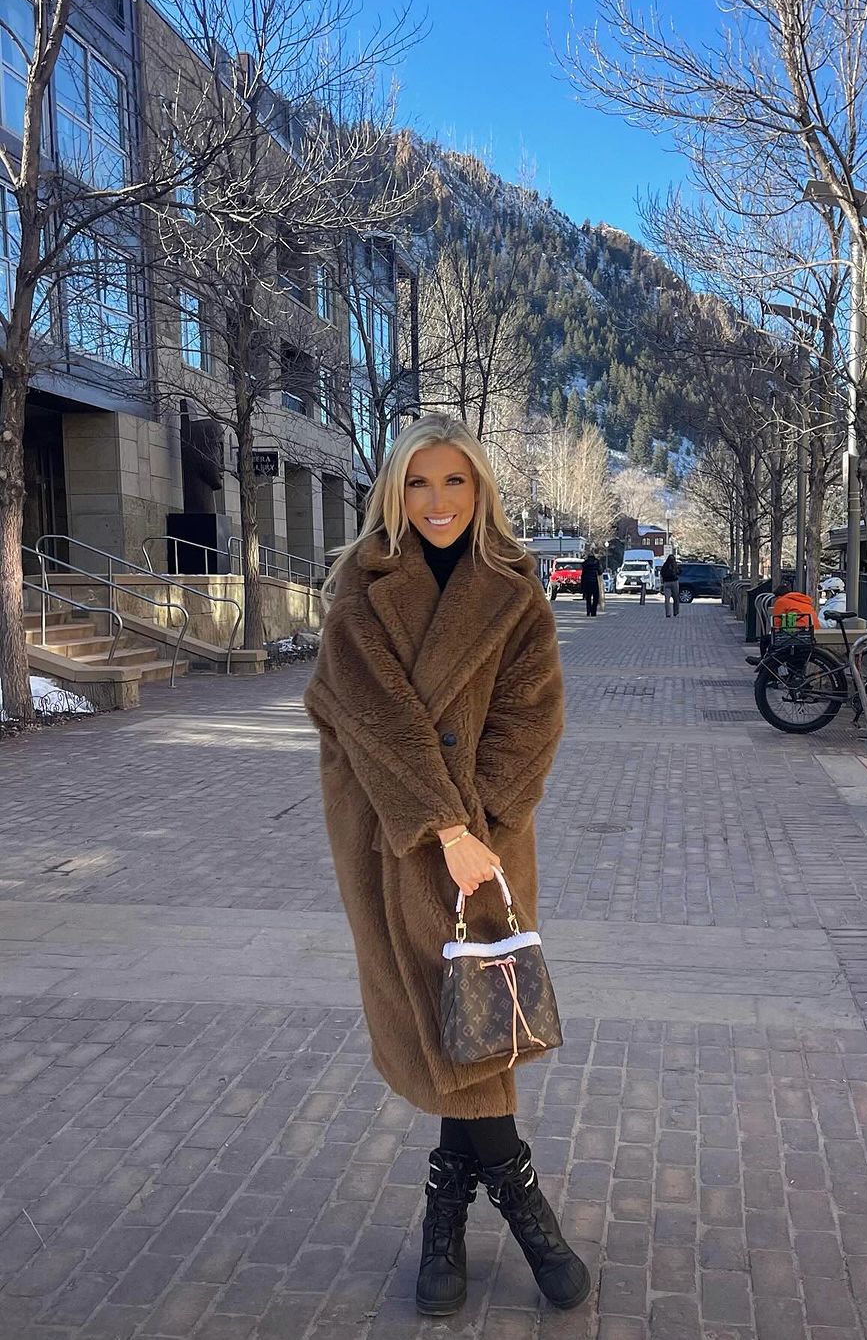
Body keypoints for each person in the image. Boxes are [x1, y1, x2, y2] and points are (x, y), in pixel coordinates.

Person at [304, 414, 590, 1318]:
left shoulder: (514, 588)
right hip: (392, 838)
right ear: (395, 493)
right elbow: (372, 719)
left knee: (471, 1021)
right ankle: (525, 1207)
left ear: (480, 491)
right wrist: (443, 826)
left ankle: (448, 1209)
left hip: (492, 841)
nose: (437, 501)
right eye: (419, 483)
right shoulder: (361, 590)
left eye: (454, 482)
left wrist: (483, 826)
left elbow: (533, 717)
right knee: (452, 1022)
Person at [581, 550, 602, 617]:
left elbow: (583, 574)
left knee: (588, 598)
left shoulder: (585, 563)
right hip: (595, 583)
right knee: (595, 599)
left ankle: (588, 611)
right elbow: (600, 572)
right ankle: (593, 612)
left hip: (587, 583)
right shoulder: (597, 562)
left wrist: (582, 585)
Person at [660, 552, 681, 618]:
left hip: (666, 583)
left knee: (667, 599)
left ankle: (668, 613)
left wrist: (662, 582)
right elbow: (679, 572)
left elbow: (662, 573)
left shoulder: (665, 565)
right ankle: (676, 612)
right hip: (674, 582)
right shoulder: (675, 565)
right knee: (676, 598)